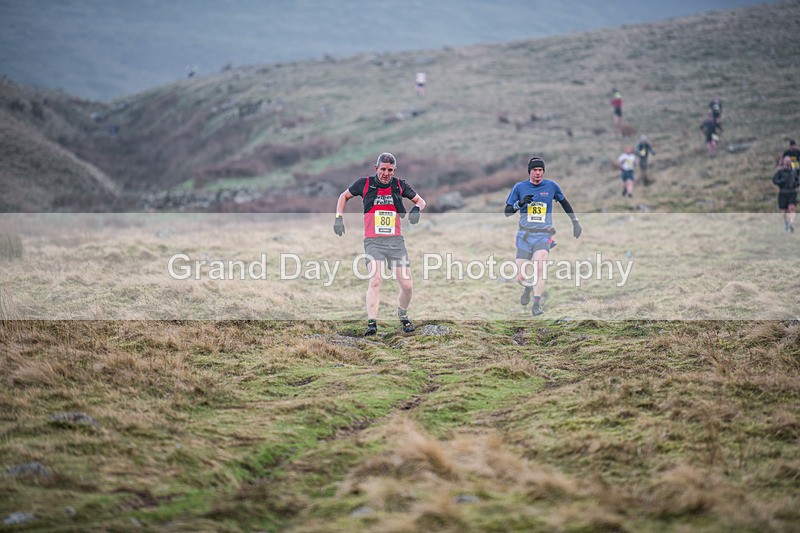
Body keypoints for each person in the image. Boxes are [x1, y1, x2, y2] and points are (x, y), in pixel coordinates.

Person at [334, 152, 426, 336]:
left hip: (396, 242)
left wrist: (416, 209)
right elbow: (343, 197)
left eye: (390, 170)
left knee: (407, 286)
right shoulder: (365, 183)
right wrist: (338, 218)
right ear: (376, 169)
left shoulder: (400, 185)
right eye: (383, 169)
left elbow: (421, 201)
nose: (386, 173)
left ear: (394, 170)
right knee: (375, 280)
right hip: (373, 242)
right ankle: (372, 323)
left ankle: (402, 315)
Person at [505, 157, 582, 316]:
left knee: (540, 267)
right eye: (535, 170)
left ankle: (536, 304)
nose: (538, 173)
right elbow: (507, 212)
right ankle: (527, 287)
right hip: (524, 235)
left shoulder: (551, 186)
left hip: (543, 235)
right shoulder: (519, 187)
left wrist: (575, 222)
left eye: (540, 170)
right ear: (530, 172)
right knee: (521, 277)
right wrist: (520, 204)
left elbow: (565, 203)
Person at [772, 155, 798, 233]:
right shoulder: (780, 172)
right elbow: (774, 180)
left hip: (792, 192)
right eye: (786, 162)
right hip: (783, 192)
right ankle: (786, 223)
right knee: (783, 211)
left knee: (792, 208)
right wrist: (781, 181)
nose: (788, 163)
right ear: (784, 163)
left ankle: (791, 224)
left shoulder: (794, 171)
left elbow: (797, 180)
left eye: (789, 162)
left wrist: (796, 184)